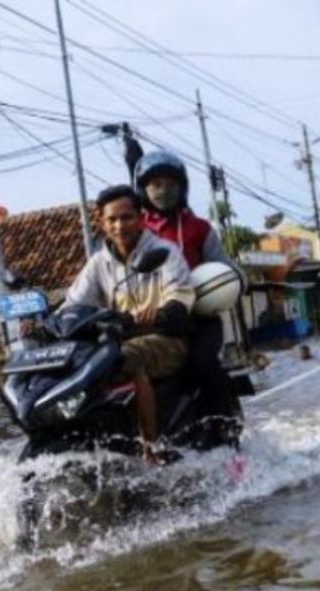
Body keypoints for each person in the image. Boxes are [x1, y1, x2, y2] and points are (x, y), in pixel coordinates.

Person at [62, 185, 195, 463]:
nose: (119, 225)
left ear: (142, 217)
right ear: (101, 222)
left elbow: (179, 299)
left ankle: (151, 447)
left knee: (126, 358)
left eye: (127, 217)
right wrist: (43, 325)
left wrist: (159, 312)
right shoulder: (99, 263)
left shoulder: (164, 252)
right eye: (112, 219)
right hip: (114, 340)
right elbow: (73, 305)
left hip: (166, 340)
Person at [131, 149, 239, 417]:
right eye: (156, 184)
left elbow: (225, 268)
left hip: (198, 318)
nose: (163, 191)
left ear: (182, 188)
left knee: (201, 361)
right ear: (143, 190)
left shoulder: (199, 229)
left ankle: (226, 427)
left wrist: (236, 280)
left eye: (171, 184)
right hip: (146, 318)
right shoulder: (132, 231)